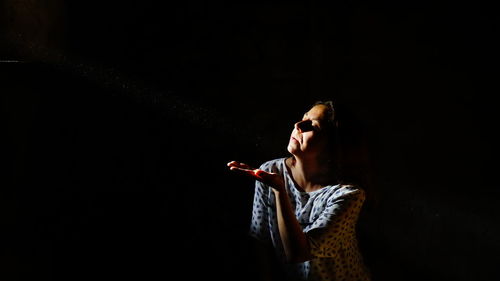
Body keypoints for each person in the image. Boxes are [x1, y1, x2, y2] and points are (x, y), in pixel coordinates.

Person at [227, 100, 372, 281]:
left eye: (313, 126)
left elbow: (298, 253)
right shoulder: (271, 170)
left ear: (332, 146)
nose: (298, 126)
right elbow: (261, 239)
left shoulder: (348, 195)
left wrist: (280, 190)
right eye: (303, 118)